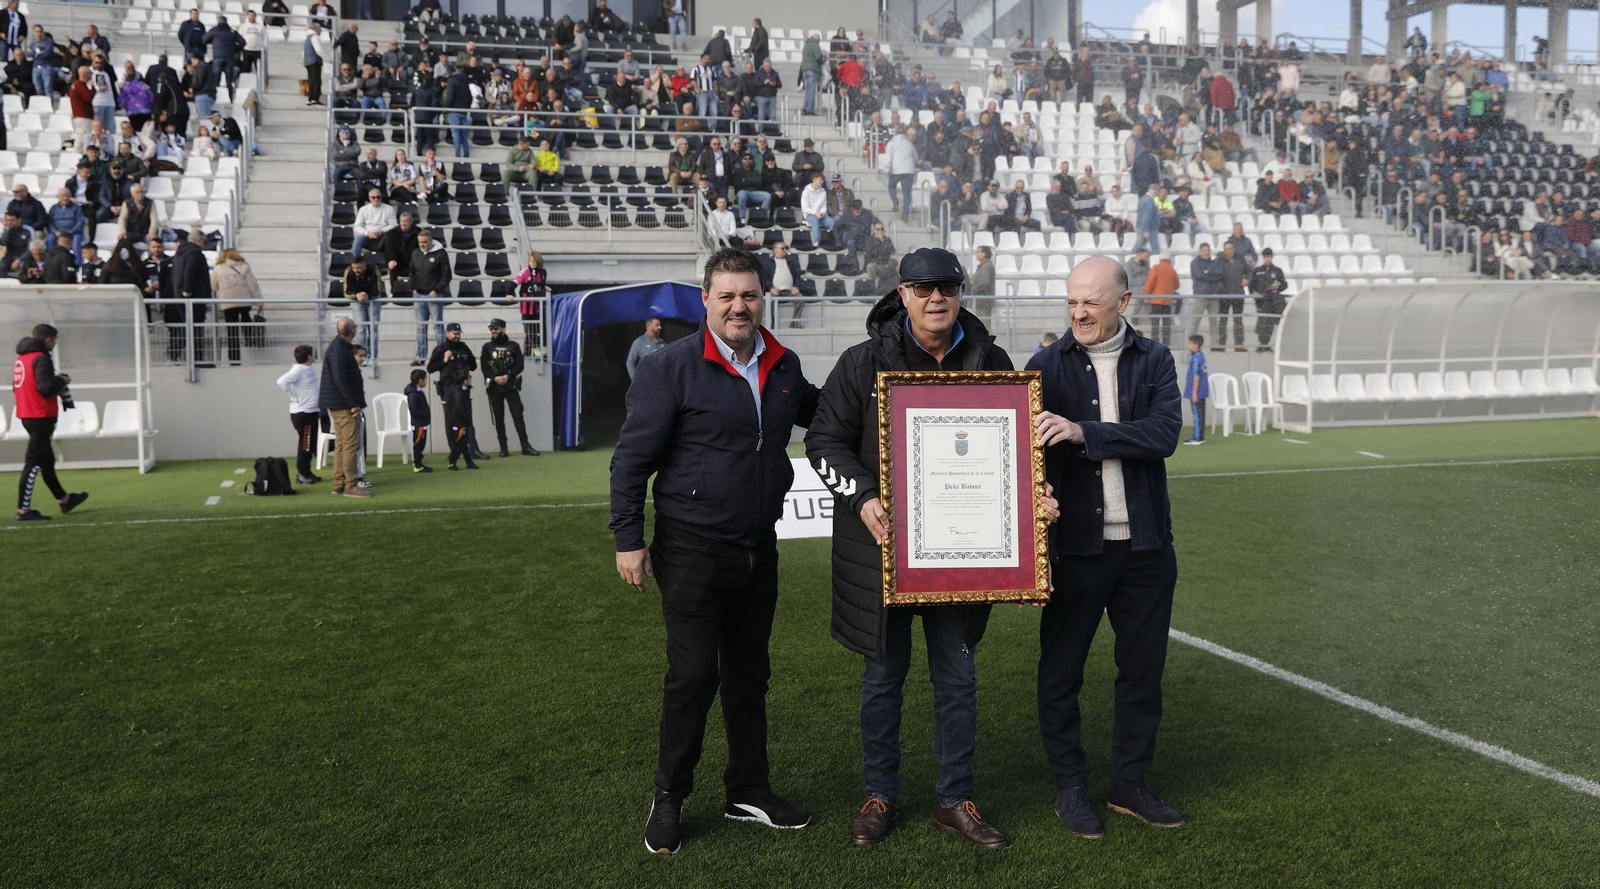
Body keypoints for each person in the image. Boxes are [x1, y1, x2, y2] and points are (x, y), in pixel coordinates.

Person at [803, 247, 1048, 850]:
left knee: (958, 678)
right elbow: (823, 442)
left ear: (961, 291)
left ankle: (954, 799)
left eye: (946, 287)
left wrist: (1033, 497)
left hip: (961, 558)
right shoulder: (862, 363)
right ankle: (880, 794)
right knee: (884, 680)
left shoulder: (990, 359)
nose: (935, 298)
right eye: (922, 287)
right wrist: (862, 497)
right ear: (902, 293)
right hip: (883, 555)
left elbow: (1018, 448)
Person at [609, 247, 819, 856]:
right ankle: (669, 796)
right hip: (692, 549)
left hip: (760, 549)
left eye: (748, 294)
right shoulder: (670, 366)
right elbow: (632, 459)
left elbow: (826, 411)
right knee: (694, 676)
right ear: (705, 300)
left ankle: (748, 790)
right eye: (726, 295)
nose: (738, 306)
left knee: (750, 677)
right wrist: (629, 538)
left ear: (763, 298)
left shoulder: (782, 363)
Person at [1025, 254, 1184, 841]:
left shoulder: (1156, 359)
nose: (1079, 312)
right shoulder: (1043, 365)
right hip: (1077, 549)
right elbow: (1025, 453)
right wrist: (1038, 488)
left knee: (1142, 672)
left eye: (1090, 301)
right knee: (1060, 673)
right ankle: (1071, 789)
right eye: (1071, 301)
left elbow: (1164, 434)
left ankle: (1129, 784)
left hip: (1146, 548)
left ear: (1123, 301)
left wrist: (1083, 433)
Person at [13, 324, 89, 521]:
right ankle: (23, 510)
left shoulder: (22, 358)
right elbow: (46, 387)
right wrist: (61, 380)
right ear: (48, 340)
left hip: (27, 414)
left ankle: (65, 500)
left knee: (47, 462)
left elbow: (18, 386)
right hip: (40, 416)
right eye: (54, 340)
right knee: (33, 463)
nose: (54, 344)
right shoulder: (42, 358)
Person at [318, 318, 368, 497]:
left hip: (338, 403)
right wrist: (353, 404)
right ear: (351, 331)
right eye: (354, 327)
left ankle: (338, 483)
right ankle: (351, 485)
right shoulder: (339, 350)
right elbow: (341, 380)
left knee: (341, 445)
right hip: (343, 405)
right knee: (350, 445)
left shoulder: (339, 347)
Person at [427, 322, 487, 462]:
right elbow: (430, 368)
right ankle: (455, 450)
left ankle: (474, 449)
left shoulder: (464, 347)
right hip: (448, 387)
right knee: (450, 420)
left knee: (467, 419)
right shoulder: (441, 349)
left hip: (463, 388)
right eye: (454, 333)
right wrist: (445, 360)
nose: (457, 336)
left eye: (459, 333)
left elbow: (473, 366)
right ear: (447, 333)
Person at [480, 318, 538, 457]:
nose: (493, 331)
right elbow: (484, 367)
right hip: (495, 387)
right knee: (499, 418)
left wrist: (509, 375)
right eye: (491, 328)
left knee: (518, 415)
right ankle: (503, 448)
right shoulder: (487, 347)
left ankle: (525, 445)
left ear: (503, 329)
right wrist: (495, 378)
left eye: (496, 328)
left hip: (510, 385)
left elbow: (520, 365)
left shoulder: (514, 346)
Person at [276, 344, 322, 485]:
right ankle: (302, 473)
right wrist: (295, 396)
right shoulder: (298, 371)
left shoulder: (308, 369)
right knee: (305, 444)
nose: (314, 356)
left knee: (310, 444)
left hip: (312, 411)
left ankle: (307, 471)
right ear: (308, 356)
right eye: (312, 354)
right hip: (303, 413)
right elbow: (281, 381)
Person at [212, 247, 263, 366]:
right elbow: (253, 285)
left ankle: (234, 360)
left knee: (232, 332)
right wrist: (259, 302)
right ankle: (249, 338)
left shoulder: (218, 268)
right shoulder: (244, 266)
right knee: (245, 316)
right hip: (243, 300)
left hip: (228, 303)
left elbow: (213, 287)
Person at [408, 227, 450, 365]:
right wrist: (413, 288)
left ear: (431, 240)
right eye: (420, 242)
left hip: (434, 295)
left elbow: (447, 275)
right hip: (419, 295)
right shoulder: (415, 253)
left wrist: (436, 290)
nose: (422, 244)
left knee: (437, 325)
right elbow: (412, 272)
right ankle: (420, 357)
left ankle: (442, 354)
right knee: (421, 327)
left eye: (424, 242)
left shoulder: (441, 253)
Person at [342, 252, 382, 361]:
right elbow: (346, 292)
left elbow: (378, 291)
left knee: (373, 328)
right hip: (356, 300)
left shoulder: (374, 270)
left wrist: (367, 295)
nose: (356, 270)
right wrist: (356, 295)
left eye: (358, 268)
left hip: (373, 300)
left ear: (364, 266)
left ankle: (373, 356)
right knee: (360, 328)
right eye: (354, 268)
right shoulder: (348, 271)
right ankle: (361, 355)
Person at [1248, 248, 1287, 352]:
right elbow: (1251, 285)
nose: (1267, 259)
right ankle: (1262, 343)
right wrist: (1254, 292)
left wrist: (1277, 287)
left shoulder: (1277, 271)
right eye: (1265, 257)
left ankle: (1267, 344)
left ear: (1272, 257)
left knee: (1270, 323)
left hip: (1273, 301)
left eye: (1269, 257)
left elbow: (1284, 285)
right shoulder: (1257, 271)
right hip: (1262, 301)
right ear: (1263, 257)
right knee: (1262, 322)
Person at [515, 251, 547, 357]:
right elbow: (515, 282)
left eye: (534, 261)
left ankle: (528, 353)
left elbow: (542, 286)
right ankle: (535, 350)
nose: (532, 263)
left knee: (537, 330)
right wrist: (509, 292)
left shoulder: (542, 273)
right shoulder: (525, 271)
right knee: (529, 331)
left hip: (537, 307)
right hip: (526, 308)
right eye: (530, 260)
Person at [404, 368, 433, 473]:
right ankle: (417, 465)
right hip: (419, 424)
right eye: (425, 379)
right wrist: (424, 415)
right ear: (420, 380)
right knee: (418, 444)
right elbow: (413, 409)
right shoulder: (413, 394)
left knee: (421, 444)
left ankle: (419, 463)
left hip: (422, 423)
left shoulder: (418, 392)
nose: (426, 381)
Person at [1183, 335, 1208, 445]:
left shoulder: (1196, 358)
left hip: (1197, 392)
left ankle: (1197, 437)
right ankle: (1200, 435)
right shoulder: (1201, 356)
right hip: (1202, 392)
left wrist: (1194, 393)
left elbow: (1196, 376)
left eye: (1189, 344)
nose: (1188, 346)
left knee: (1197, 414)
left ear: (1196, 345)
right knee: (1200, 413)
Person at [303, 23, 327, 106]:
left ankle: (310, 98)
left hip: (308, 61)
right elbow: (319, 50)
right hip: (315, 61)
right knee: (316, 80)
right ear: (316, 29)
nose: (320, 31)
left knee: (311, 80)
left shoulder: (307, 38)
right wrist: (327, 58)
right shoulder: (315, 37)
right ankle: (315, 98)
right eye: (320, 29)